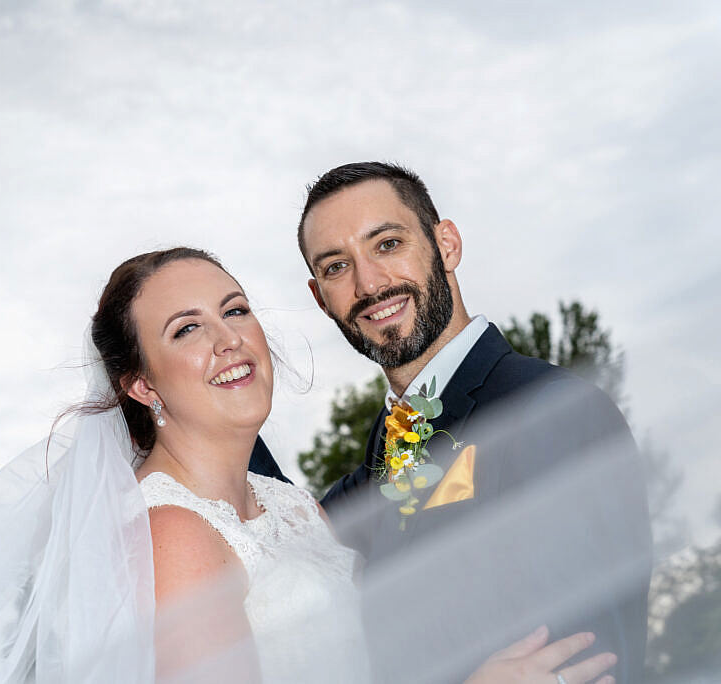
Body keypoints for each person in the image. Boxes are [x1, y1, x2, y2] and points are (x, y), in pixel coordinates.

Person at [0, 247, 622, 684]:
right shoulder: (175, 536)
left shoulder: (286, 505)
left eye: (235, 309)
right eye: (187, 329)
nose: (230, 341)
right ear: (142, 385)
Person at [248, 162, 653, 683]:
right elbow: (280, 529)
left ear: (447, 246)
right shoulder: (389, 446)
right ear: (319, 298)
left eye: (387, 244)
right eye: (336, 267)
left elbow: (590, 661)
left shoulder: (552, 412)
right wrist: (207, 400)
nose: (368, 283)